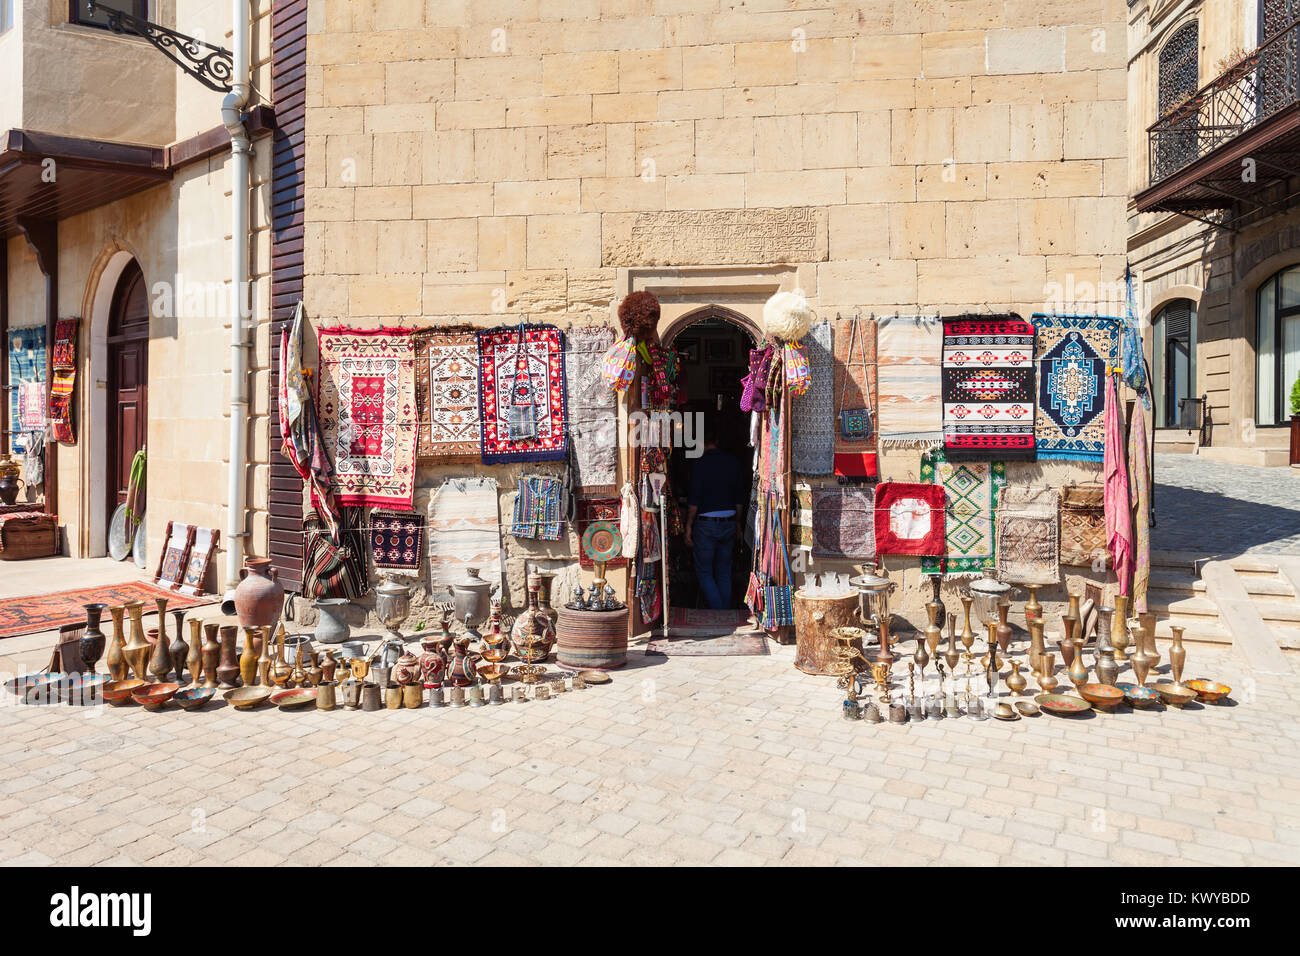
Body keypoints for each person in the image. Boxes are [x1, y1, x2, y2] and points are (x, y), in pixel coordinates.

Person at [685, 427, 744, 610]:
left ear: (701, 444)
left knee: (704, 571)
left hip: (706, 524)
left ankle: (719, 610)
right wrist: (738, 524)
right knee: (724, 571)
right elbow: (739, 500)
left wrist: (688, 526)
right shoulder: (733, 463)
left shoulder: (699, 464)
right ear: (717, 440)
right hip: (729, 521)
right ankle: (725, 612)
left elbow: (694, 501)